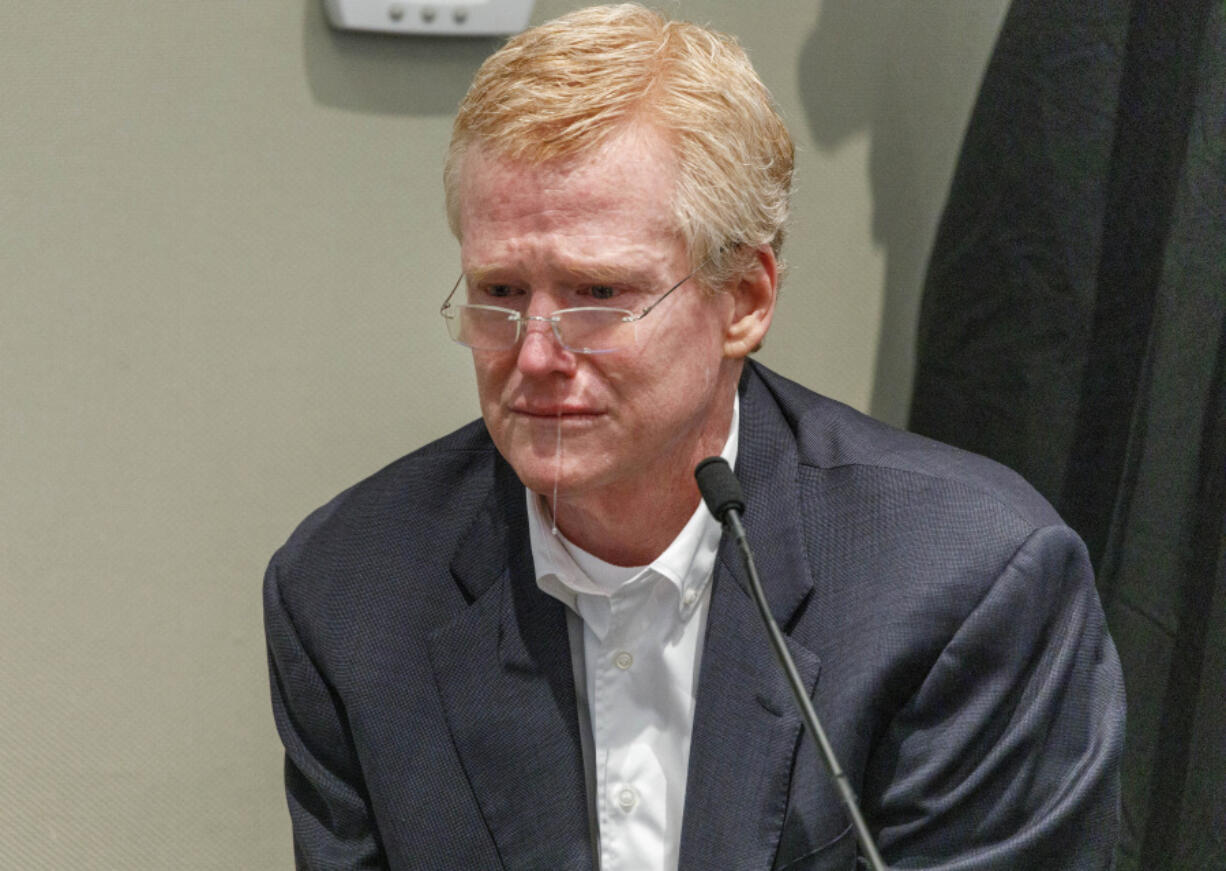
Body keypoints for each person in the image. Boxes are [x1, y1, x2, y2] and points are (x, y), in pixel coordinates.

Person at [264, 5, 1125, 869]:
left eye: (596, 293)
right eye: (500, 290)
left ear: (744, 300)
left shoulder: (969, 586)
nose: (532, 354)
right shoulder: (348, 596)